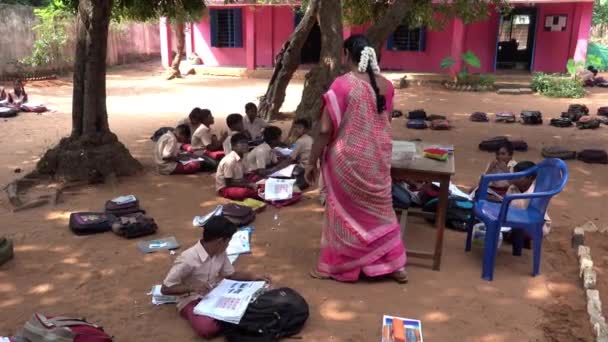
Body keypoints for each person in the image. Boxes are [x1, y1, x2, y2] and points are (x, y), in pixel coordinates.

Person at [304, 35, 407, 283]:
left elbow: (326, 130)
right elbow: (385, 122)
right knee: (382, 212)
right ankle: (394, 265)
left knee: (341, 216)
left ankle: (338, 266)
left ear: (346, 55)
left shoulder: (342, 85)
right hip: (377, 160)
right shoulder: (387, 86)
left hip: (346, 161)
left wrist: (311, 161)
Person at [161, 216, 269, 339]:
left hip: (214, 294)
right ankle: (233, 319)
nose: (228, 245)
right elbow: (165, 289)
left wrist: (253, 277)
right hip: (190, 300)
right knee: (207, 329)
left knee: (253, 302)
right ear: (220, 241)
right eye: (228, 242)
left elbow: (231, 274)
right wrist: (192, 288)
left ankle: (230, 318)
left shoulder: (220, 252)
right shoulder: (187, 259)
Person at [507, 161, 552, 236]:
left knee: (516, 230)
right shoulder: (513, 188)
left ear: (530, 178)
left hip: (535, 224)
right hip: (516, 219)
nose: (515, 178)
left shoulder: (534, 194)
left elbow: (536, 218)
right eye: (515, 175)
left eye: (519, 176)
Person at [216, 133, 258, 200]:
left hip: (238, 181)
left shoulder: (242, 157)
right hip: (225, 188)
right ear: (233, 146)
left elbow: (245, 174)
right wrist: (248, 184)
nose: (245, 145)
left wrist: (250, 181)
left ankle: (257, 192)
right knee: (243, 192)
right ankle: (258, 193)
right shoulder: (229, 160)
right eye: (242, 143)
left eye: (246, 143)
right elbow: (228, 183)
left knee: (257, 177)